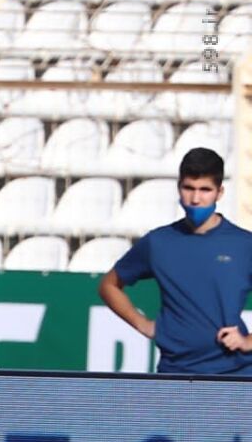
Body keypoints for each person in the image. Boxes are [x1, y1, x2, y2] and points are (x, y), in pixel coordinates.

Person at [99, 147, 252, 375]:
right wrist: (143, 324)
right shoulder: (158, 242)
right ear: (179, 187)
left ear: (219, 193)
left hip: (235, 373)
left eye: (205, 190)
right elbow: (109, 285)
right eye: (189, 188)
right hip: (176, 371)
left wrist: (248, 341)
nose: (195, 199)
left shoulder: (244, 244)